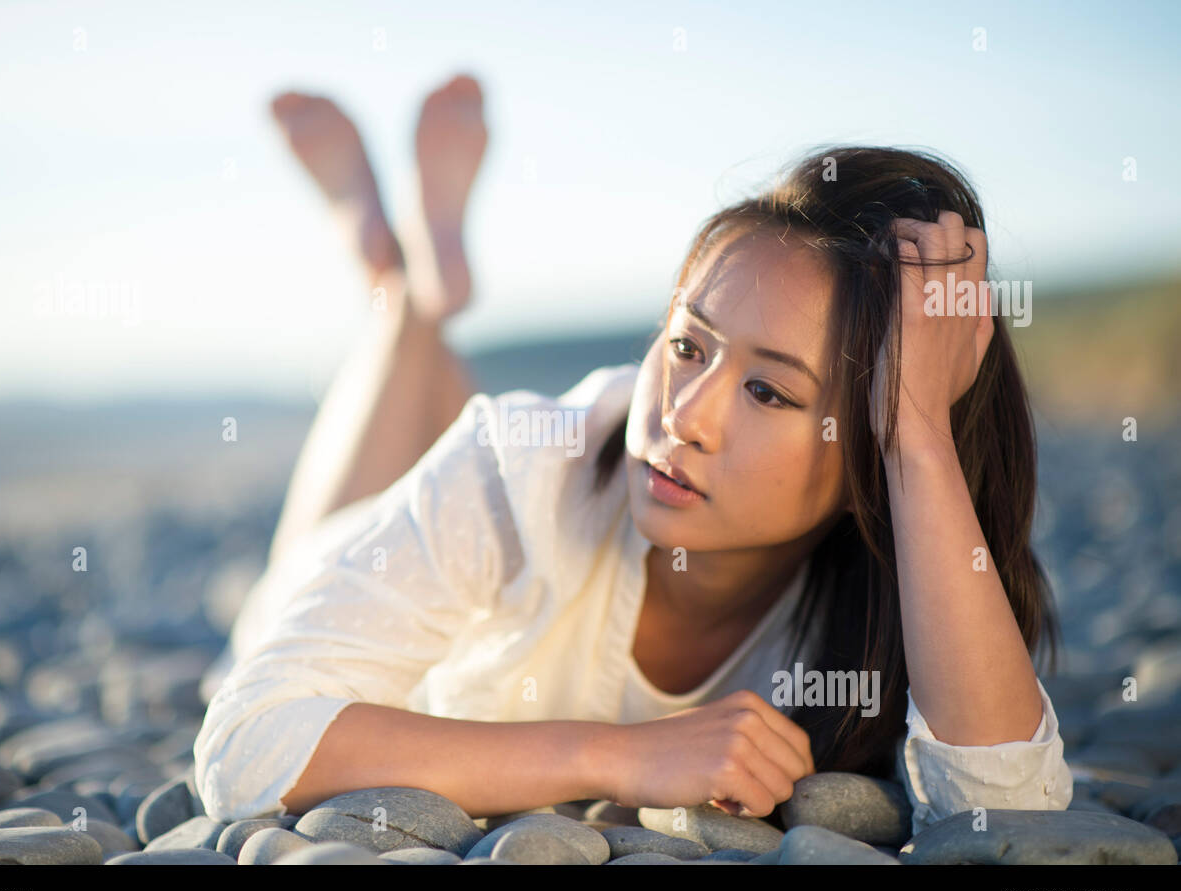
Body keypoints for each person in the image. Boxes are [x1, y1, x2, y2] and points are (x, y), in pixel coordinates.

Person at [193, 73, 1074, 836]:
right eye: (689, 345)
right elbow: (248, 740)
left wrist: (919, 441)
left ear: (869, 446)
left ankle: (416, 270)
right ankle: (407, 283)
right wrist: (616, 754)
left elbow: (1012, 823)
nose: (683, 417)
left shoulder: (902, 565)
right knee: (298, 565)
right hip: (356, 561)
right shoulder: (518, 463)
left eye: (769, 391)